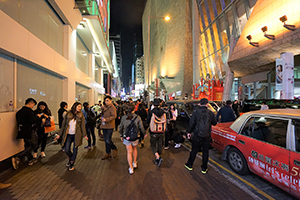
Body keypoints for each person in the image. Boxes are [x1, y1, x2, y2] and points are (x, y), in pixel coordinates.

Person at [184, 98, 217, 173]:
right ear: (207, 104)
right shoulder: (210, 113)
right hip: (207, 135)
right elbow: (214, 123)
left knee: (194, 150)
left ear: (199, 104)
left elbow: (191, 123)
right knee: (205, 152)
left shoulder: (195, 112)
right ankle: (204, 168)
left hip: (197, 135)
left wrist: (188, 132)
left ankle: (189, 164)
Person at [55, 102, 88, 171]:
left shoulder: (81, 115)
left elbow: (83, 126)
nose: (80, 108)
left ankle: (72, 163)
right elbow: (63, 125)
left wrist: (85, 135)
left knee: (75, 148)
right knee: (66, 149)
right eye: (78, 106)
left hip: (77, 134)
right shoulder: (68, 114)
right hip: (68, 134)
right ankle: (71, 158)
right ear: (75, 106)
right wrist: (59, 134)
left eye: (80, 107)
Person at [12, 98, 41, 170]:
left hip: (22, 130)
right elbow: (32, 120)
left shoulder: (19, 112)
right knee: (34, 144)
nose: (33, 107)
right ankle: (19, 157)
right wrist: (38, 117)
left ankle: (30, 159)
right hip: (29, 130)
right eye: (33, 105)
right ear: (30, 103)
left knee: (27, 144)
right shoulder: (29, 111)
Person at [119, 104, 146, 174]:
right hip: (135, 136)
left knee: (129, 152)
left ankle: (131, 168)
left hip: (127, 137)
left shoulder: (124, 118)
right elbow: (141, 127)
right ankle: (135, 163)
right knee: (134, 149)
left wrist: (121, 135)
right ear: (134, 109)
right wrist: (144, 133)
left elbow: (121, 127)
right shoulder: (137, 117)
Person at [147, 98, 165, 168]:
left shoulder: (151, 112)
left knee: (153, 145)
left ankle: (158, 157)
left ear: (153, 104)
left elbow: (148, 121)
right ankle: (158, 158)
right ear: (160, 104)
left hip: (153, 131)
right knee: (160, 145)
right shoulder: (163, 111)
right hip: (161, 130)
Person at [100, 95, 118, 160]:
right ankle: (108, 153)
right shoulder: (105, 107)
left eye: (107, 100)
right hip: (104, 125)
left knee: (108, 140)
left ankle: (114, 148)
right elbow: (102, 115)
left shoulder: (112, 107)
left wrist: (106, 119)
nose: (106, 102)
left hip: (110, 125)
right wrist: (102, 118)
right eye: (105, 101)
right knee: (105, 140)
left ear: (110, 100)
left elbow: (114, 116)